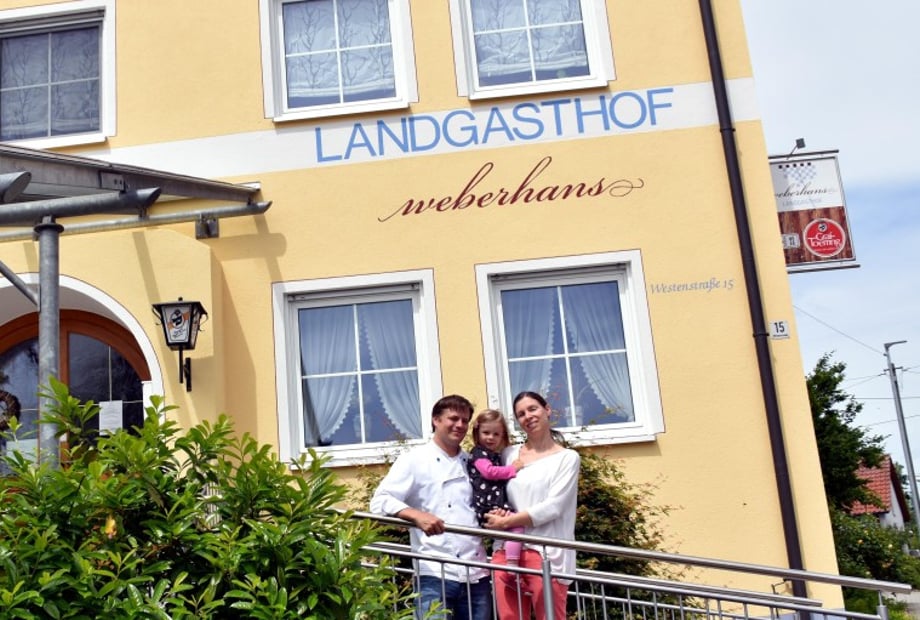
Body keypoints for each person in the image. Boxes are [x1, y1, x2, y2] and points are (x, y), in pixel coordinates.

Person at [370, 394, 492, 620]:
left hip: (477, 573)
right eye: (453, 418)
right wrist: (415, 515)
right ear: (436, 420)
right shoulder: (414, 459)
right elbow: (380, 501)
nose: (460, 425)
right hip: (434, 573)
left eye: (465, 420)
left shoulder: (472, 463)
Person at [485, 391, 581, 620]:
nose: (527, 416)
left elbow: (554, 506)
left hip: (546, 553)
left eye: (532, 409)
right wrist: (495, 512)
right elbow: (494, 492)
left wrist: (508, 521)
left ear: (547, 410)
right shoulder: (509, 455)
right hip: (506, 549)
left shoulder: (567, 458)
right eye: (521, 414)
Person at [467, 409, 524, 564]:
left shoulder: (495, 455)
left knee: (512, 527)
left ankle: (508, 559)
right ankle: (512, 562)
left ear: (502, 436)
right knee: (517, 526)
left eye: (496, 434)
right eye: (486, 433)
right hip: (487, 505)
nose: (491, 437)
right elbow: (489, 472)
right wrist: (512, 469)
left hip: (493, 504)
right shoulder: (479, 453)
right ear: (477, 433)